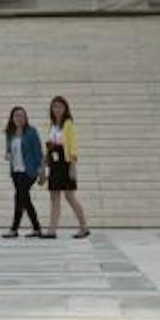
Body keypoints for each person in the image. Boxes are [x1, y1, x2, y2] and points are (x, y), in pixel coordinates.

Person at [44, 96, 89, 238]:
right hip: (54, 163)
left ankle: (84, 227)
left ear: (65, 109)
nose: (57, 109)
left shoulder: (68, 124)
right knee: (54, 196)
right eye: (55, 106)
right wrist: (45, 163)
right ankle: (52, 229)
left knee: (70, 196)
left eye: (60, 106)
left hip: (66, 162)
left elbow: (73, 145)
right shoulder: (52, 124)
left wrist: (73, 166)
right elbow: (49, 145)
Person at [1, 106, 48, 239]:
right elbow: (9, 150)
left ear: (26, 117)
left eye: (21, 115)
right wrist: (8, 154)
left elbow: (38, 153)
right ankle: (37, 228)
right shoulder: (10, 133)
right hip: (16, 171)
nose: (19, 118)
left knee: (19, 197)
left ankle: (14, 229)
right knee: (25, 199)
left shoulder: (32, 132)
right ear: (12, 118)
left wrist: (42, 171)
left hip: (29, 171)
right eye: (16, 115)